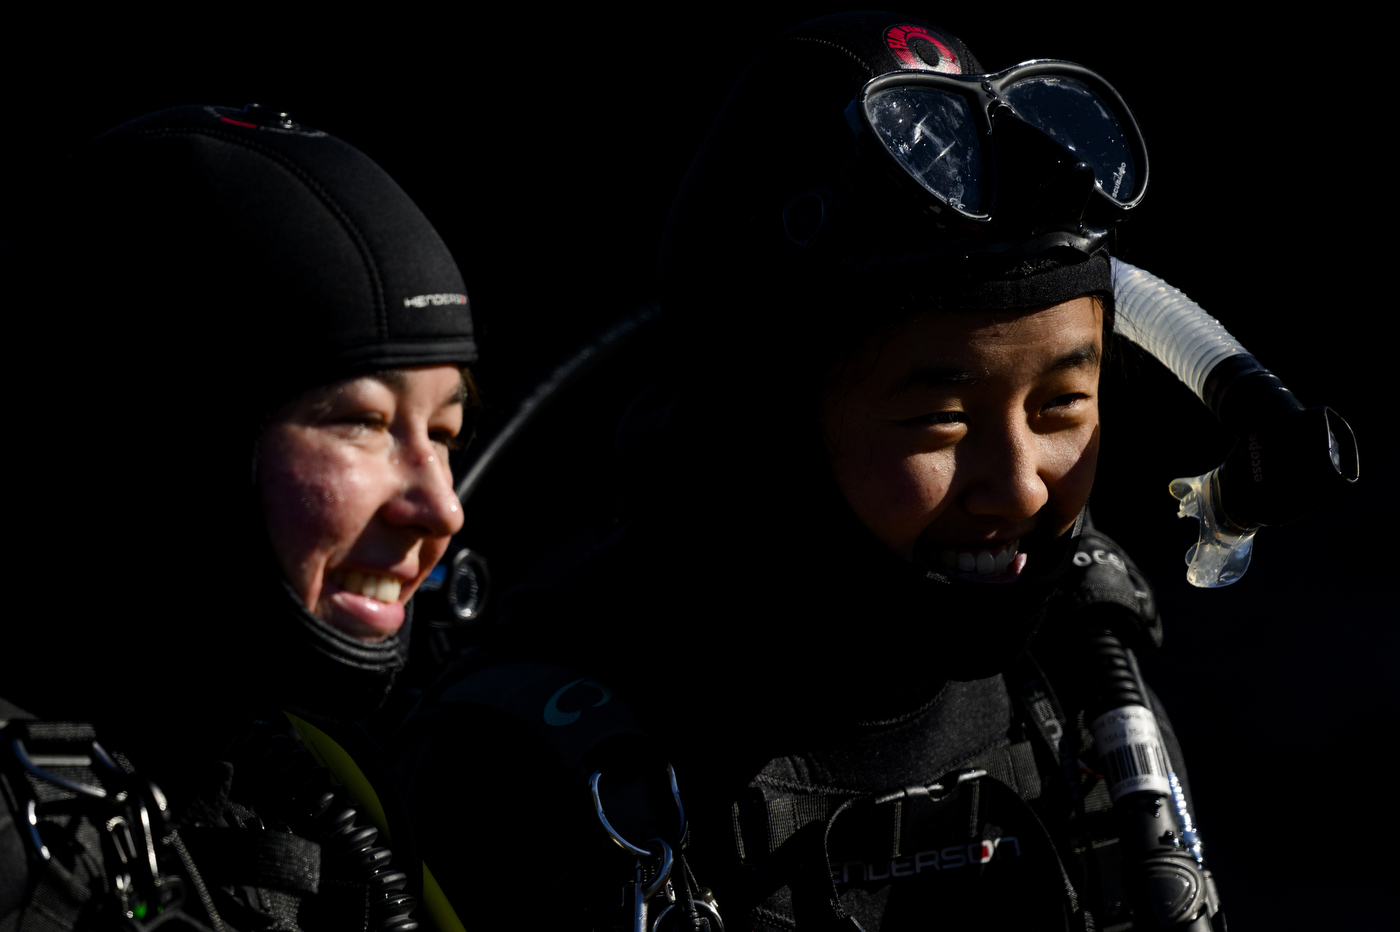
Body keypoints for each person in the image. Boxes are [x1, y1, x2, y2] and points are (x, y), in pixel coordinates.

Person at [392, 10, 1246, 932]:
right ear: (764, 427)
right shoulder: (524, 764)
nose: (1024, 486)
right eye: (940, 419)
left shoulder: (1085, 700)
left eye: (1061, 408)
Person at [0, 103, 478, 931]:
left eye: (444, 433)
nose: (441, 506)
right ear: (164, 444)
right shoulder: (23, 842)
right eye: (360, 423)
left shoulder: (316, 784)